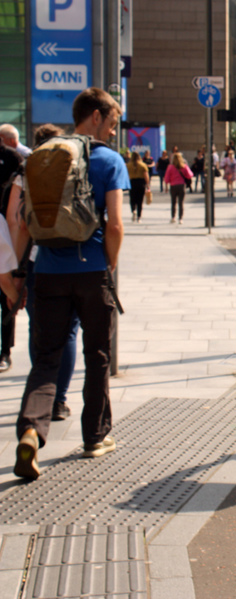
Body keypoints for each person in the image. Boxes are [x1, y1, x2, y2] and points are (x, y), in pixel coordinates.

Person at [14, 87, 128, 480]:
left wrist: (17, 272)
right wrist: (109, 264)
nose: (114, 131)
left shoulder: (43, 157)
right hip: (91, 269)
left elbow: (21, 222)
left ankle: (31, 431)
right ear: (95, 117)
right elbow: (115, 224)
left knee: (46, 358)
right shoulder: (108, 160)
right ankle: (95, 436)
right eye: (112, 122)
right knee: (97, 354)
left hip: (47, 271)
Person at [7, 124, 79, 422]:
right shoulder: (73, 167)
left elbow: (17, 221)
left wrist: (15, 268)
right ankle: (60, 400)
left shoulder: (26, 172)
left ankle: (41, 396)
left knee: (39, 329)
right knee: (70, 332)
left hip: (38, 261)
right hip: (73, 257)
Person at [0, 139, 22, 373]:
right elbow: (4, 278)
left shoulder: (13, 157)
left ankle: (5, 351)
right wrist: (15, 296)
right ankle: (4, 352)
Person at [164, 152, 192, 224]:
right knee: (181, 203)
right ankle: (180, 219)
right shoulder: (184, 166)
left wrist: (168, 183)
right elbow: (190, 175)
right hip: (182, 186)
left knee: (173, 202)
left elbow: (166, 179)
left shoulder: (170, 167)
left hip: (173, 186)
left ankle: (173, 217)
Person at [126, 151, 150, 223]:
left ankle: (133, 210)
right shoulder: (143, 165)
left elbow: (126, 175)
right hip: (141, 183)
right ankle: (139, 217)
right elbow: (146, 175)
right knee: (140, 200)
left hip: (132, 182)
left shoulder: (128, 165)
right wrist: (148, 184)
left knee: (132, 198)